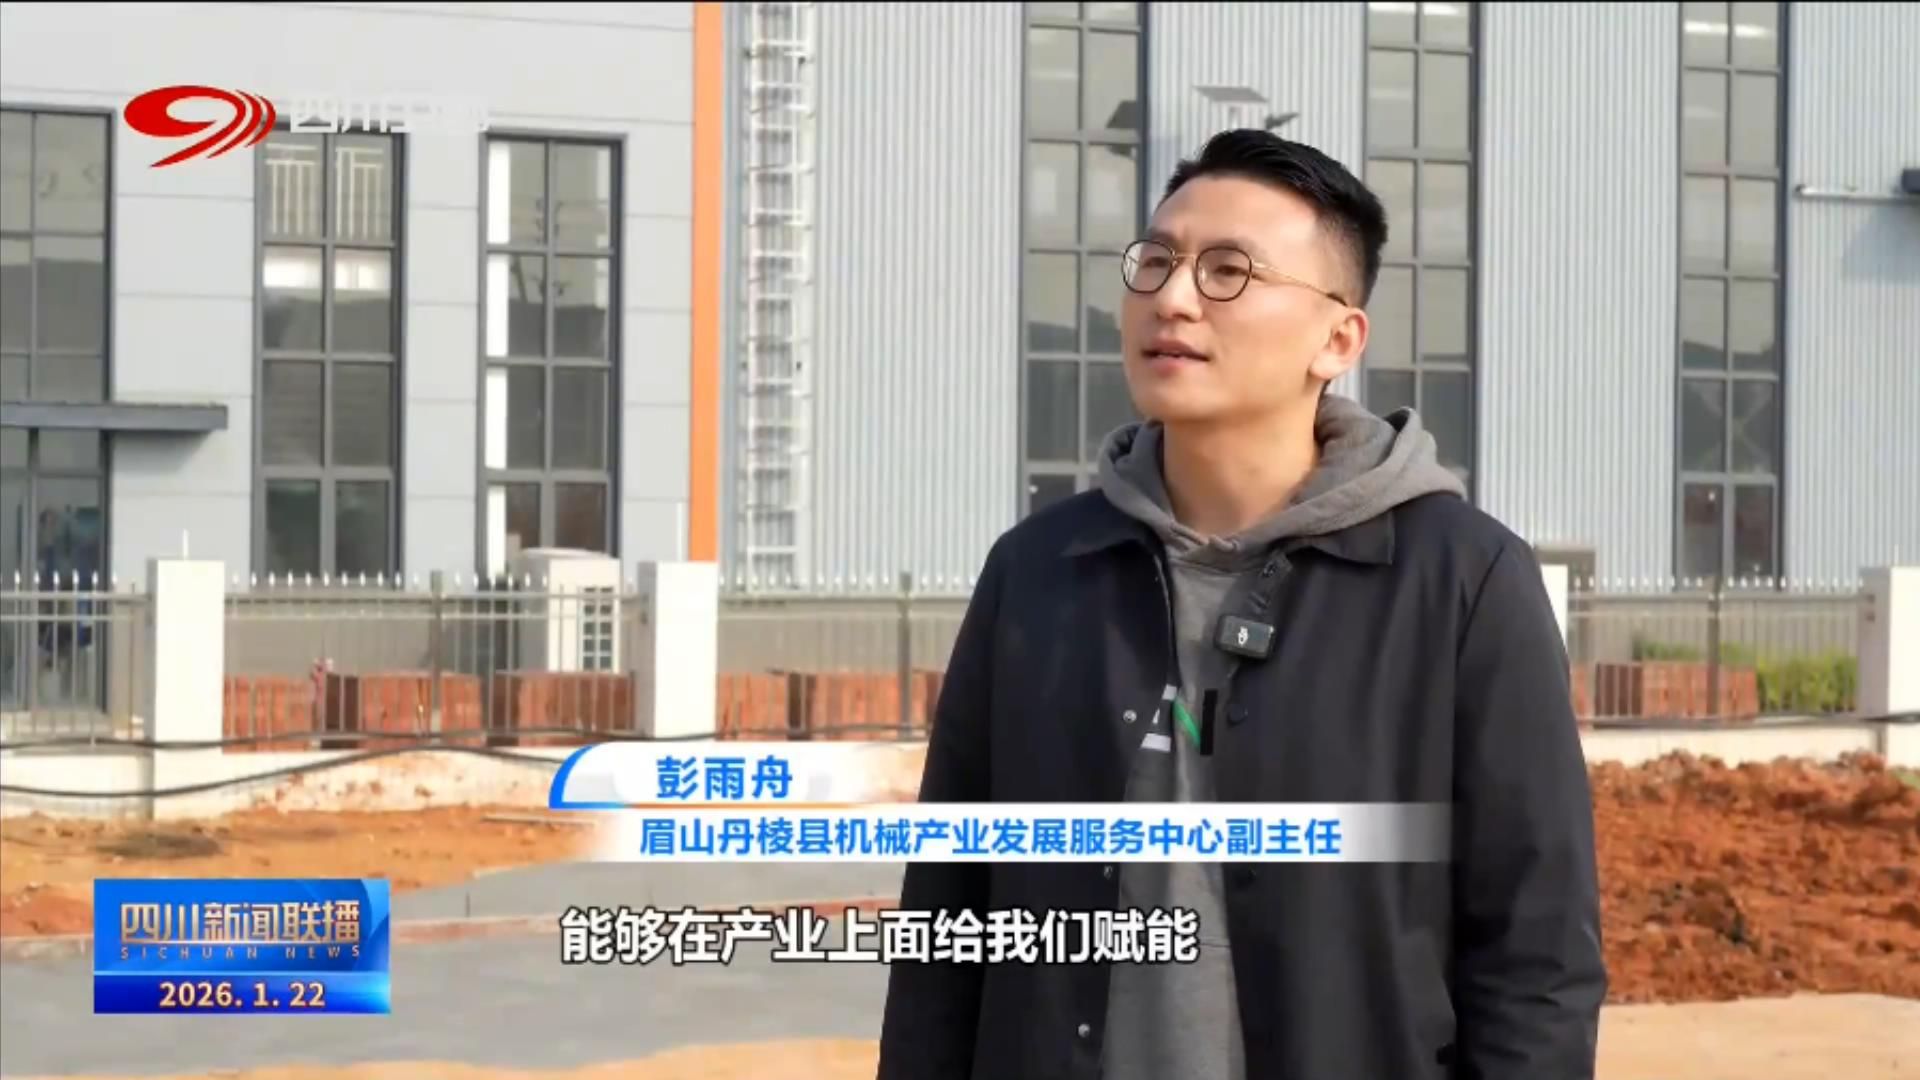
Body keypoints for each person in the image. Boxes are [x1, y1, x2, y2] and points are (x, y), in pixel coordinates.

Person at [875, 128, 1606, 1079]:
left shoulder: (1462, 580)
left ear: (1337, 340)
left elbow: (1535, 955)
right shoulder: (1039, 573)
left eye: (1229, 271)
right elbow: (950, 913)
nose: (1173, 298)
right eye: (1156, 261)